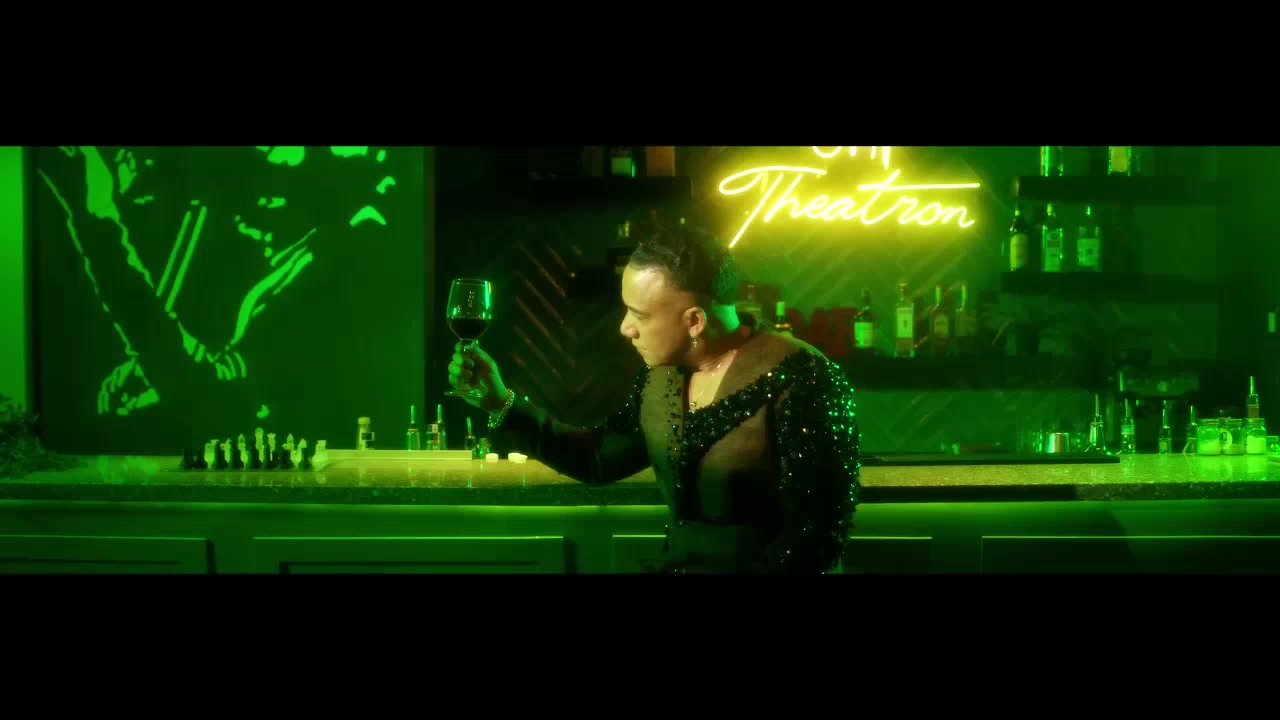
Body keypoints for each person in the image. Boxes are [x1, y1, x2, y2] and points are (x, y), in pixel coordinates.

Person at [447, 218, 859, 574]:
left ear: (694, 321)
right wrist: (499, 402)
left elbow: (815, 537)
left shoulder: (804, 376)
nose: (625, 328)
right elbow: (599, 458)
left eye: (639, 315)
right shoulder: (661, 375)